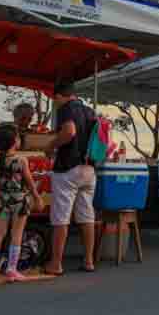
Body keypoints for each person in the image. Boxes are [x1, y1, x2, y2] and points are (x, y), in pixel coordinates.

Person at [44, 82, 97, 275]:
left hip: (68, 168)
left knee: (61, 217)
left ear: (59, 96)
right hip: (89, 169)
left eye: (54, 99)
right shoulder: (90, 111)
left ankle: (56, 264)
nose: (55, 103)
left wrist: (51, 145)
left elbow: (69, 132)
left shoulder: (66, 109)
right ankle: (89, 261)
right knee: (87, 215)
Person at [0, 123, 42, 282]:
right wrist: (37, 197)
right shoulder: (21, 160)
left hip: (4, 203)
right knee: (16, 235)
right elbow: (29, 181)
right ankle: (11, 269)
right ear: (15, 141)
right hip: (20, 203)